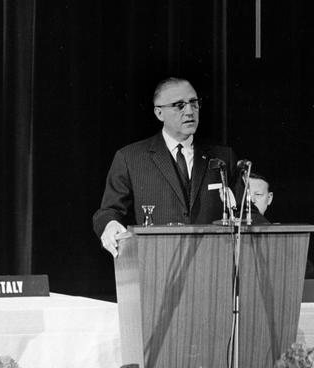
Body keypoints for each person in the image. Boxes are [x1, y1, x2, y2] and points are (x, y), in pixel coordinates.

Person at [93, 77, 236, 257]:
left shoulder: (223, 156)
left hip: (213, 263)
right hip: (157, 263)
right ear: (159, 113)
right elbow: (109, 211)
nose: (190, 111)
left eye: (194, 103)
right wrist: (110, 224)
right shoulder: (130, 158)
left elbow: (248, 211)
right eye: (179, 105)